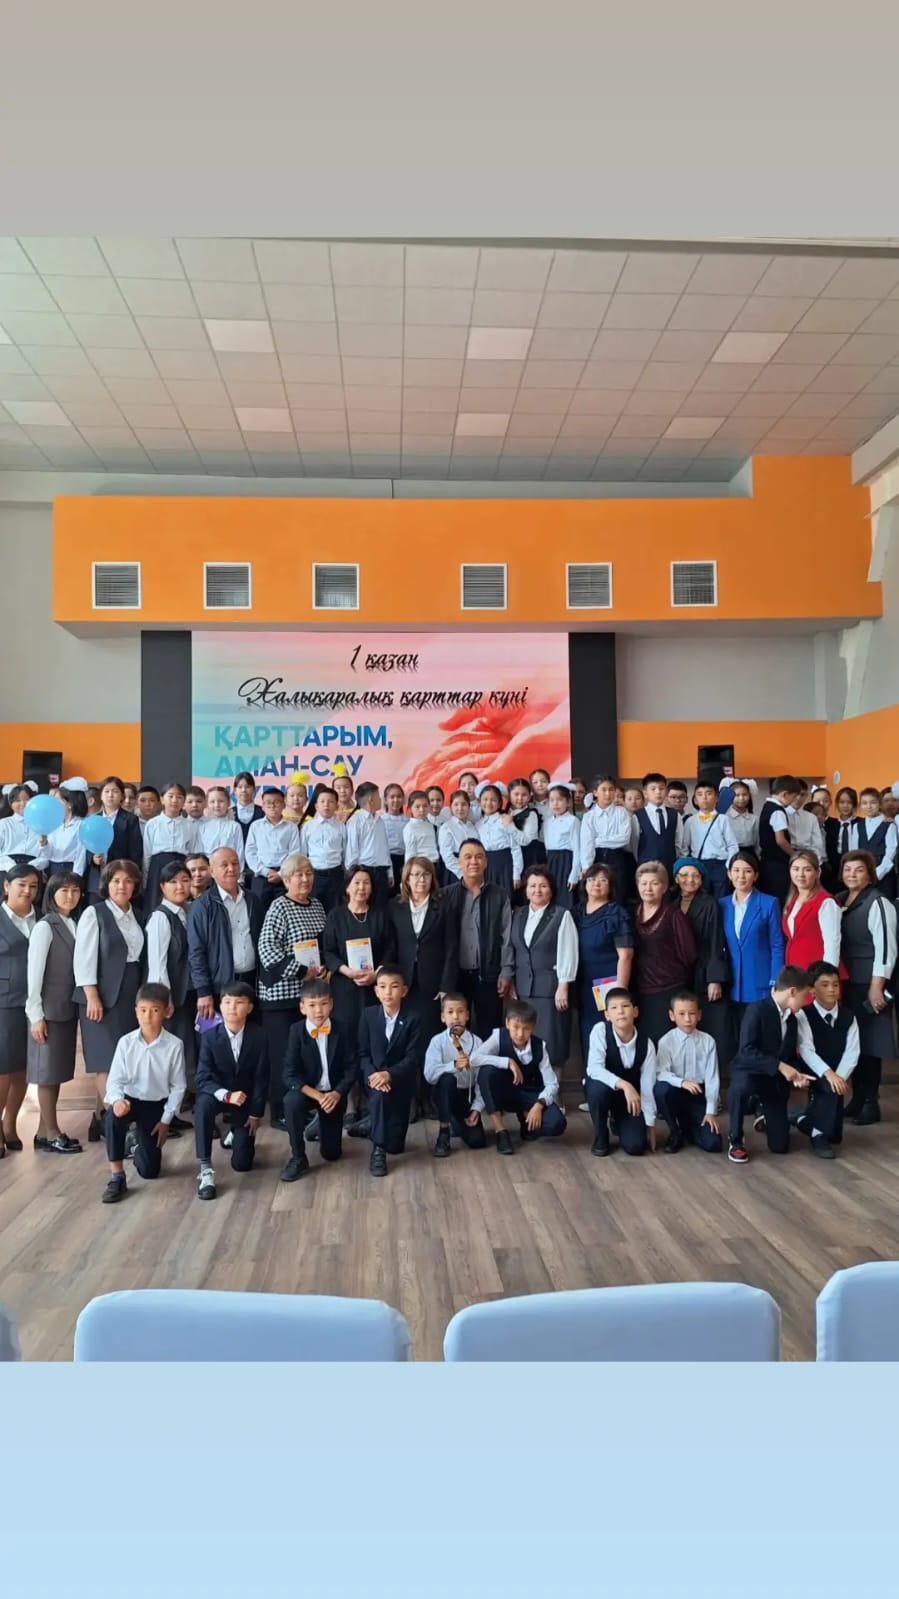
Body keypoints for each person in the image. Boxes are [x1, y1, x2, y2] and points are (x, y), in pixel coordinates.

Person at [74, 858, 145, 1144]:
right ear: (107, 883)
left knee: (124, 1060)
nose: (122, 886)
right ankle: (122, 1127)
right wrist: (91, 995)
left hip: (130, 993)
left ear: (135, 885)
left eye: (128, 881)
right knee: (105, 1061)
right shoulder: (94, 913)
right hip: (100, 994)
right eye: (116, 880)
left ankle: (100, 1120)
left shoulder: (138, 914)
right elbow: (83, 958)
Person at [257, 853, 327, 1129]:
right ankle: (280, 1111)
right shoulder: (279, 907)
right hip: (281, 996)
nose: (305, 879)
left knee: (304, 1054)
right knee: (282, 1055)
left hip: (309, 996)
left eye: (309, 873)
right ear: (286, 880)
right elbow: (267, 949)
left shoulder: (317, 905)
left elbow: (322, 944)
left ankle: (302, 1107)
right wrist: (300, 971)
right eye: (299, 874)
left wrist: (321, 968)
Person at [101, 982, 187, 1204]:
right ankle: (117, 1176)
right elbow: (115, 1080)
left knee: (150, 1171)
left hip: (155, 1106)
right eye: (143, 1010)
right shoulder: (126, 1043)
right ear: (136, 1011)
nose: (148, 1016)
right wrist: (117, 1100)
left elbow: (178, 1086)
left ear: (166, 1011)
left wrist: (166, 1120)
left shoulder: (174, 1045)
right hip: (129, 1101)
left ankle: (136, 1144)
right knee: (111, 1117)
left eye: (155, 1010)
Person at [726, 964, 814, 1164]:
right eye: (805, 996)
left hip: (773, 1080)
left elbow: (789, 1056)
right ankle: (736, 1139)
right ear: (792, 992)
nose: (806, 1001)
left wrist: (797, 1075)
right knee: (740, 1089)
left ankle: (768, 1118)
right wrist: (780, 1066)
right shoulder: (756, 1010)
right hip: (749, 1071)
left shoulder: (792, 1021)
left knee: (780, 1146)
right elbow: (746, 1050)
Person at [322, 867, 395, 1107]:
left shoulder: (380, 915)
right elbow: (328, 952)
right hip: (345, 988)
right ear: (347, 887)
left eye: (366, 883)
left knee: (372, 1041)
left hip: (374, 990)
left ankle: (373, 1097)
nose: (361, 888)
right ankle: (350, 1103)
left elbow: (390, 949)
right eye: (356, 882)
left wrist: (377, 974)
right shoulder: (336, 916)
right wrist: (346, 970)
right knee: (348, 1041)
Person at [836, 849, 898, 1125]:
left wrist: (877, 986)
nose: (852, 875)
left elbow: (886, 948)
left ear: (870, 875)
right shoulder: (840, 900)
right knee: (855, 1044)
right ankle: (858, 1099)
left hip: (869, 983)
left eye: (859, 870)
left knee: (871, 1044)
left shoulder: (879, 902)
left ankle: (871, 1103)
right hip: (847, 982)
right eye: (848, 870)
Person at [25, 871, 84, 1153]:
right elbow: (34, 974)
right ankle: (51, 1133)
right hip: (47, 1011)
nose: (70, 896)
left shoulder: (74, 923)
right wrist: (35, 1014)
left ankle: (43, 1132)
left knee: (56, 1072)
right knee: (46, 1073)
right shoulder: (45, 926)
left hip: (66, 1008)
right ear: (51, 893)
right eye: (64, 890)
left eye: (75, 890)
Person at [194, 981, 268, 1199]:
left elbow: (262, 1078)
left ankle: (235, 1132)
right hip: (218, 1094)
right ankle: (205, 1168)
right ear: (220, 1005)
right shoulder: (209, 1037)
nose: (232, 1008)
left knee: (242, 1164)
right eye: (227, 1002)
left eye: (239, 1002)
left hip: (244, 1100)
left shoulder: (259, 1036)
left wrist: (255, 1113)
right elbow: (202, 1077)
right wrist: (225, 1095)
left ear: (250, 1007)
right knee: (202, 1106)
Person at [389, 857, 456, 1099]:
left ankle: (429, 1097)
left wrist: (446, 985)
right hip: (403, 984)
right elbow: (391, 946)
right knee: (405, 1041)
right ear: (406, 879)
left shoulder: (443, 906)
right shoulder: (395, 906)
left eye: (425, 874)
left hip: (432, 985)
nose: (420, 879)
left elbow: (451, 947)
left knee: (429, 1040)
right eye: (415, 874)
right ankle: (410, 1099)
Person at [281, 976, 359, 1181]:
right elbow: (289, 1073)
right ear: (302, 1007)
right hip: (309, 1092)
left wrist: (337, 1093)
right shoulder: (296, 1031)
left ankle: (319, 1125)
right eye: (312, 1005)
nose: (318, 1011)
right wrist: (317, 1096)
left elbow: (352, 1067)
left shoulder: (343, 1028)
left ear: (331, 1004)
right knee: (291, 1101)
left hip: (334, 1093)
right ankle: (298, 1156)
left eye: (323, 1004)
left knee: (332, 1154)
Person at [471, 997, 566, 1155]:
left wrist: (539, 1105)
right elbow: (474, 1059)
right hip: (505, 1091)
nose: (520, 1034)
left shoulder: (539, 1046)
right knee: (486, 1071)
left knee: (557, 1123)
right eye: (515, 1027)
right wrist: (507, 1062)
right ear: (507, 1023)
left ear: (533, 1028)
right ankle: (500, 1130)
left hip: (529, 1093)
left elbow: (552, 1083)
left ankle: (526, 1120)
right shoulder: (498, 1037)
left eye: (526, 1028)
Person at [509, 864, 578, 1079]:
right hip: (523, 990)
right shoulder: (517, 914)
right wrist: (511, 981)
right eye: (532, 885)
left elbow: (568, 951)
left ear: (551, 889)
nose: (537, 890)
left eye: (543, 886)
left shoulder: (561, 915)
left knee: (551, 1041)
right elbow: (512, 949)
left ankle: (553, 1089)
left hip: (551, 990)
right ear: (525, 889)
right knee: (525, 1040)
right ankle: (530, 1087)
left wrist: (563, 985)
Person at [442, 841, 513, 1036]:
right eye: (468, 857)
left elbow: (506, 936)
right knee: (456, 1032)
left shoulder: (499, 895)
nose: (473, 861)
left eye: (479, 857)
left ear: (486, 862)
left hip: (489, 975)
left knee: (490, 1032)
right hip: (456, 976)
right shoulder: (446, 895)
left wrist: (506, 971)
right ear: (459, 862)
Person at [187, 847, 265, 1022]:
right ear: (212, 871)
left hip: (252, 979)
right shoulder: (202, 906)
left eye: (235, 863)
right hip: (220, 985)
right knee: (221, 1035)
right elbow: (196, 952)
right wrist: (203, 991)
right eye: (224, 865)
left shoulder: (253, 899)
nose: (231, 869)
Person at [793, 960, 859, 1159]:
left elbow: (852, 1052)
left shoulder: (849, 1016)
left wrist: (840, 1076)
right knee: (829, 1089)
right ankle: (818, 1136)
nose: (832, 989)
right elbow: (806, 1050)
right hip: (813, 1070)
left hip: (838, 1072)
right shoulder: (804, 1015)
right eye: (825, 985)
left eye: (835, 984)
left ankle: (803, 1120)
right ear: (812, 990)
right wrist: (829, 1074)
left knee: (836, 1136)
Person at [720, 852, 786, 1056]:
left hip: (760, 981)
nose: (741, 876)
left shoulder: (768, 903)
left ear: (755, 875)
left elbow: (777, 945)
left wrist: (775, 979)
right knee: (737, 1037)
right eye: (736, 871)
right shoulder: (722, 904)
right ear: (729, 874)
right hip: (732, 982)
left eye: (747, 871)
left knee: (760, 1036)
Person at [359, 965, 421, 1176]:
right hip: (374, 1079)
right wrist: (374, 1076)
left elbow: (413, 1058)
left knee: (396, 1147)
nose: (388, 992)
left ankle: (371, 1124)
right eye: (383, 986)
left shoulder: (413, 1018)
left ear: (404, 991)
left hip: (400, 1080)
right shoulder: (368, 1015)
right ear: (376, 991)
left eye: (394, 987)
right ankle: (378, 1150)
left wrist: (389, 1075)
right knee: (379, 1097)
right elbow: (362, 1054)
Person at [583, 987, 656, 1157]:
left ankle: (618, 1121)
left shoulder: (647, 1044)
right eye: (614, 1008)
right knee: (596, 1089)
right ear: (607, 1015)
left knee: (636, 1146)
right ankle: (601, 1135)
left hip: (629, 1100)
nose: (620, 1012)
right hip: (604, 1090)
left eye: (625, 1006)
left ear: (635, 1011)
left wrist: (650, 1125)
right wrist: (625, 1085)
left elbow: (648, 1086)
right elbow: (594, 1068)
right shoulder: (600, 1031)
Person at [145, 860, 196, 1099]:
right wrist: (164, 1000)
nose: (180, 886)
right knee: (174, 1049)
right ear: (162, 887)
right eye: (173, 882)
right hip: (173, 996)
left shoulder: (188, 912)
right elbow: (158, 963)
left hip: (191, 992)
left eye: (185, 880)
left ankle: (187, 1096)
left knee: (189, 1047)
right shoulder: (160, 917)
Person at [670, 856, 730, 1059]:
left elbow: (716, 940)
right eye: (684, 875)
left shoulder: (709, 903)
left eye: (695, 876)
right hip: (680, 972)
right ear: (676, 878)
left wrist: (715, 978)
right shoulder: (672, 904)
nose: (690, 880)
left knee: (709, 1022)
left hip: (704, 970)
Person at [573, 863, 634, 1062]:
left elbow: (626, 955)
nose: (596, 884)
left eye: (603, 880)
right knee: (587, 1031)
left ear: (611, 886)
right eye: (591, 879)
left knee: (609, 1031)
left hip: (608, 983)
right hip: (583, 981)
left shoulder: (616, 913)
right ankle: (591, 1075)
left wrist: (620, 994)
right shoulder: (576, 912)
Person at [0, 865, 42, 1156]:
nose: (27, 891)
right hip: (4, 1002)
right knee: (3, 1068)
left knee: (24, 1069)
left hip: (36, 1002)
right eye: (21, 884)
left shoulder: (42, 918)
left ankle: (10, 1124)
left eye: (33, 886)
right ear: (7, 886)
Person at [631, 862, 697, 1043]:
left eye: (654, 883)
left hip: (668, 988)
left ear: (664, 887)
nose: (648, 888)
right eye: (644, 883)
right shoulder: (632, 913)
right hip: (640, 989)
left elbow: (689, 954)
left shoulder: (674, 915)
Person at [653, 990, 722, 1154]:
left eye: (692, 1013)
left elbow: (712, 1078)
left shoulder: (708, 1041)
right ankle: (675, 1131)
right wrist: (682, 1082)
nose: (687, 1019)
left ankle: (688, 1126)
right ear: (672, 1015)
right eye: (681, 1014)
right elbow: (661, 1072)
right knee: (661, 1090)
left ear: (699, 1015)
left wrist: (710, 1112)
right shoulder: (666, 1041)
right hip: (676, 1092)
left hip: (698, 1094)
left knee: (713, 1144)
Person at [423, 991, 487, 1158]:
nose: (455, 1017)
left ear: (467, 1016)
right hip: (443, 1092)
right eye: (450, 1012)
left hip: (466, 1095)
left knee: (477, 1141)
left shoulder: (477, 1043)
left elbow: (482, 1081)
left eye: (460, 1012)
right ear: (443, 1017)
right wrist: (453, 1066)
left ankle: (456, 1121)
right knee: (447, 1079)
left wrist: (477, 1108)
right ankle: (444, 1131)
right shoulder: (437, 1042)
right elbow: (429, 1074)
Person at [142, 781, 199, 908]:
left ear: (184, 802)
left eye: (179, 797)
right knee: (156, 904)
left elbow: (192, 853)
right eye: (170, 796)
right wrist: (146, 880)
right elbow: (147, 854)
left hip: (181, 865)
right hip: (158, 867)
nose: (174, 800)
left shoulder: (190, 825)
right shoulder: (152, 824)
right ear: (162, 800)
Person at [86, 775, 143, 898]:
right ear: (101, 796)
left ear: (122, 796)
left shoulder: (130, 820)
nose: (110, 795)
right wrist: (92, 858)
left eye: (115, 791)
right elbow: (86, 846)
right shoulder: (93, 820)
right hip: (96, 878)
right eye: (106, 791)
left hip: (120, 879)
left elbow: (135, 851)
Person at [782, 849, 841, 967]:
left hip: (817, 971)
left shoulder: (826, 902)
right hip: (796, 969)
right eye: (796, 869)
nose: (800, 874)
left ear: (818, 872)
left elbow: (832, 942)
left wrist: (827, 974)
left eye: (807, 870)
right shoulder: (792, 901)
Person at [245, 787, 301, 910]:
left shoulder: (291, 827)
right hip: (261, 876)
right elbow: (250, 852)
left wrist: (280, 874)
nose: (272, 806)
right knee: (258, 911)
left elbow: (294, 853)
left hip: (284, 876)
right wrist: (265, 871)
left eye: (276, 802)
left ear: (284, 804)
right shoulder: (256, 826)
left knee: (285, 909)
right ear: (263, 806)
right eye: (268, 803)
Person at [683, 782, 738, 898]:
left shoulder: (723, 819)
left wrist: (728, 866)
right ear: (695, 800)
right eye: (700, 794)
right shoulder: (690, 821)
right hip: (699, 864)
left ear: (716, 798)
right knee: (700, 898)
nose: (704, 797)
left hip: (720, 865)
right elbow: (684, 846)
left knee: (721, 898)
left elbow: (732, 845)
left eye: (709, 793)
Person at [579, 775, 633, 890]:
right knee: (597, 891)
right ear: (595, 792)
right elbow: (586, 843)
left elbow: (624, 838)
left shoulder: (622, 812)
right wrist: (586, 867)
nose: (608, 793)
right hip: (596, 857)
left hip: (616, 857)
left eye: (611, 789)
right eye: (603, 790)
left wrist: (597, 841)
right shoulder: (589, 816)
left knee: (617, 891)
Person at [345, 782, 393, 908]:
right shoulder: (355, 821)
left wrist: (390, 872)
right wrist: (352, 876)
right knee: (364, 907)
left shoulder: (380, 821)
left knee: (381, 909)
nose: (380, 800)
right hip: (365, 871)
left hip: (381, 871)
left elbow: (385, 848)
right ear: (371, 799)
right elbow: (352, 851)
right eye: (378, 796)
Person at [300, 785, 346, 914]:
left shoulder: (342, 827)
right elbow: (303, 853)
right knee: (313, 911)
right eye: (323, 801)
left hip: (336, 875)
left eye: (331, 802)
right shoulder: (308, 827)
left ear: (337, 806)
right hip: (315, 876)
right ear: (316, 806)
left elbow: (345, 852)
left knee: (335, 911)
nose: (326, 805)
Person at [757, 776, 802, 905]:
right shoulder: (778, 812)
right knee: (780, 897)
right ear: (785, 795)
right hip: (777, 863)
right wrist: (794, 855)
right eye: (794, 797)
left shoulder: (767, 806)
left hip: (767, 861)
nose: (794, 800)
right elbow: (780, 840)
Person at [476, 783, 523, 894]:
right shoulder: (478, 824)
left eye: (493, 800)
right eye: (485, 799)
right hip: (486, 866)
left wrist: (516, 874)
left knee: (505, 896)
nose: (488, 803)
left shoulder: (505, 821)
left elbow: (515, 848)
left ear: (499, 803)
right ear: (480, 802)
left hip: (505, 864)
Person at [634, 772, 685, 874]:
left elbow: (679, 842)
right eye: (653, 789)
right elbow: (634, 845)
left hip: (670, 867)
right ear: (645, 793)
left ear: (666, 792)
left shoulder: (675, 815)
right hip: (646, 868)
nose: (658, 792)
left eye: (661, 788)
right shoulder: (637, 816)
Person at [543, 783, 581, 908]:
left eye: (559, 800)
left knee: (565, 898)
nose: (555, 804)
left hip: (566, 861)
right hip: (551, 861)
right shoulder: (547, 822)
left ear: (568, 802)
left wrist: (574, 873)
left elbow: (577, 849)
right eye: (552, 800)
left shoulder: (573, 821)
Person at [856, 787, 898, 897]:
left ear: (880, 804)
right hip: (863, 873)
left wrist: (878, 873)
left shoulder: (889, 824)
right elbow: (854, 852)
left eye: (873, 802)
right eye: (864, 803)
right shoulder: (857, 826)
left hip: (884, 874)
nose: (869, 806)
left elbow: (891, 852)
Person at [0, 787, 50, 877]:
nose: (22, 803)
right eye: (18, 800)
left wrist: (31, 867)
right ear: (11, 804)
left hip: (34, 868)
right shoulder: (3, 824)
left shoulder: (43, 824)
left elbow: (48, 855)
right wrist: (10, 866)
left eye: (27, 800)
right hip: (6, 869)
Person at [46, 782, 88, 879]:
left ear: (70, 804)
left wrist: (76, 879)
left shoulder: (82, 825)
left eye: (58, 800)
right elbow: (48, 854)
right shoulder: (56, 825)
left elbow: (80, 856)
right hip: (52, 870)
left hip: (69, 871)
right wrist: (43, 843)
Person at [438, 790, 479, 884]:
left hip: (472, 868)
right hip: (455, 872)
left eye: (463, 804)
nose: (460, 808)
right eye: (456, 805)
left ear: (469, 806)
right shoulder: (447, 827)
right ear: (451, 807)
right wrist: (462, 874)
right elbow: (447, 855)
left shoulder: (472, 826)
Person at [198, 786, 245, 868]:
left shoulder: (234, 826)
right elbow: (199, 852)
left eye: (221, 801)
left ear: (228, 803)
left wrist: (239, 871)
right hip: (208, 869)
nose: (217, 805)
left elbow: (239, 852)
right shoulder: (202, 826)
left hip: (230, 869)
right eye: (212, 802)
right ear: (207, 804)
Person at [508, 778, 545, 872]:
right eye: (516, 794)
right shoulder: (507, 812)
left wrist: (510, 825)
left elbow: (526, 841)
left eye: (524, 795)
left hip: (528, 860)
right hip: (510, 860)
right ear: (509, 795)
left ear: (529, 796)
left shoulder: (531, 814)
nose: (520, 798)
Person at [403, 790, 440, 866]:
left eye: (425, 806)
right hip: (421, 865)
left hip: (435, 864)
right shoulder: (410, 828)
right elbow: (410, 854)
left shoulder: (431, 825)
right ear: (410, 809)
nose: (422, 810)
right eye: (417, 807)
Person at [382, 782, 407, 889]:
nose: (396, 800)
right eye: (392, 797)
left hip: (405, 860)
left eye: (399, 796)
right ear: (385, 800)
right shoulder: (381, 821)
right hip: (387, 860)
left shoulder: (408, 821)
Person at [726, 781, 758, 853]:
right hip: (730, 853)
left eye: (745, 795)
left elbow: (757, 843)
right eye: (737, 795)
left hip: (750, 853)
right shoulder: (724, 818)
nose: (741, 798)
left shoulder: (754, 819)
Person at [233, 772, 263, 847]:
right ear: (234, 790)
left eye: (247, 787)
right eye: (240, 787)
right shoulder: (228, 813)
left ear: (254, 790)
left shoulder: (263, 812)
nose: (243, 790)